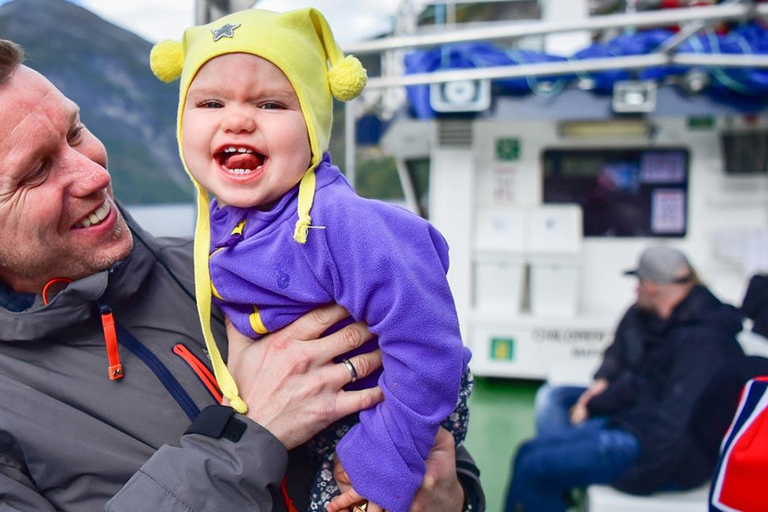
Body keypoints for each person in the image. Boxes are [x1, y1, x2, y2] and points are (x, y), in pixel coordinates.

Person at [0, 38, 485, 512]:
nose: (95, 174)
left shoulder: (224, 271)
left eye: (76, 130)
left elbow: (425, 423)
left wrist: (454, 496)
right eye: (36, 171)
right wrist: (244, 441)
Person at [148, 8, 472, 512]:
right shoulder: (224, 222)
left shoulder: (340, 222)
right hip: (334, 407)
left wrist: (385, 459)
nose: (237, 118)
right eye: (210, 101)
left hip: (395, 402)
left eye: (272, 104)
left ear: (314, 129)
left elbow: (430, 343)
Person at [504, 245, 745, 512]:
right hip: (634, 426)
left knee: (534, 466)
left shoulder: (702, 343)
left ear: (651, 286)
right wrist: (599, 397)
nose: (635, 289)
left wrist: (635, 477)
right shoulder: (674, 323)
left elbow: (675, 428)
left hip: (661, 459)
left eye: (638, 282)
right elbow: (639, 380)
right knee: (527, 452)